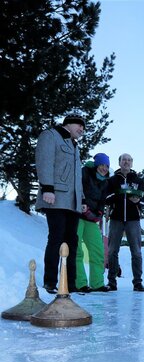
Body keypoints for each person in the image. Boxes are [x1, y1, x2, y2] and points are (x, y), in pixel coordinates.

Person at [35, 113, 85, 294]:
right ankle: (50, 282)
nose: (82, 130)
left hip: (72, 202)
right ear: (70, 124)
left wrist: (82, 199)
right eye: (80, 126)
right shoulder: (51, 135)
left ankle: (69, 284)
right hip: (55, 197)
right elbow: (44, 161)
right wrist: (47, 188)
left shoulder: (75, 145)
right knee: (56, 238)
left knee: (72, 241)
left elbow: (77, 176)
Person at [106, 153, 144, 291]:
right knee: (112, 251)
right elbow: (106, 197)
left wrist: (138, 200)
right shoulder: (112, 180)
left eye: (129, 160)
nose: (126, 162)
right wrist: (119, 194)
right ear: (119, 162)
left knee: (136, 251)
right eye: (124, 160)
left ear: (132, 163)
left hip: (133, 220)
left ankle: (137, 282)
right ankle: (111, 281)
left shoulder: (138, 180)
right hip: (116, 219)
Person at [75, 153, 111, 293]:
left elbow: (102, 200)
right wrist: (83, 203)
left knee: (97, 250)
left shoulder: (105, 181)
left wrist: (99, 213)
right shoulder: (85, 172)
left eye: (107, 166)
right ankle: (80, 283)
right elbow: (79, 188)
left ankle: (97, 283)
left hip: (91, 218)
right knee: (77, 250)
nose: (104, 168)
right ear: (96, 165)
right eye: (102, 165)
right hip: (78, 215)